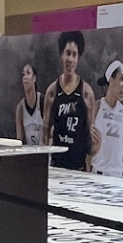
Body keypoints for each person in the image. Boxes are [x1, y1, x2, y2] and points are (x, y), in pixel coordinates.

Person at [43, 30, 95, 171]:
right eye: (68, 53)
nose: (70, 59)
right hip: (56, 166)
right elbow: (45, 132)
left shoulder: (87, 93)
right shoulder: (52, 91)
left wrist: (89, 166)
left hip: (79, 168)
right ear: (61, 54)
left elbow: (90, 137)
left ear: (78, 58)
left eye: (74, 54)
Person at [91, 61, 123, 178]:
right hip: (97, 174)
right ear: (111, 80)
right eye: (121, 79)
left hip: (117, 177)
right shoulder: (96, 108)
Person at [14, 62, 47, 145]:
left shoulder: (43, 101)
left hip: (43, 152)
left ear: (34, 78)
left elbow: (48, 132)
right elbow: (19, 140)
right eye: (23, 75)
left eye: (28, 73)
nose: (25, 77)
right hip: (28, 154)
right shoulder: (20, 108)